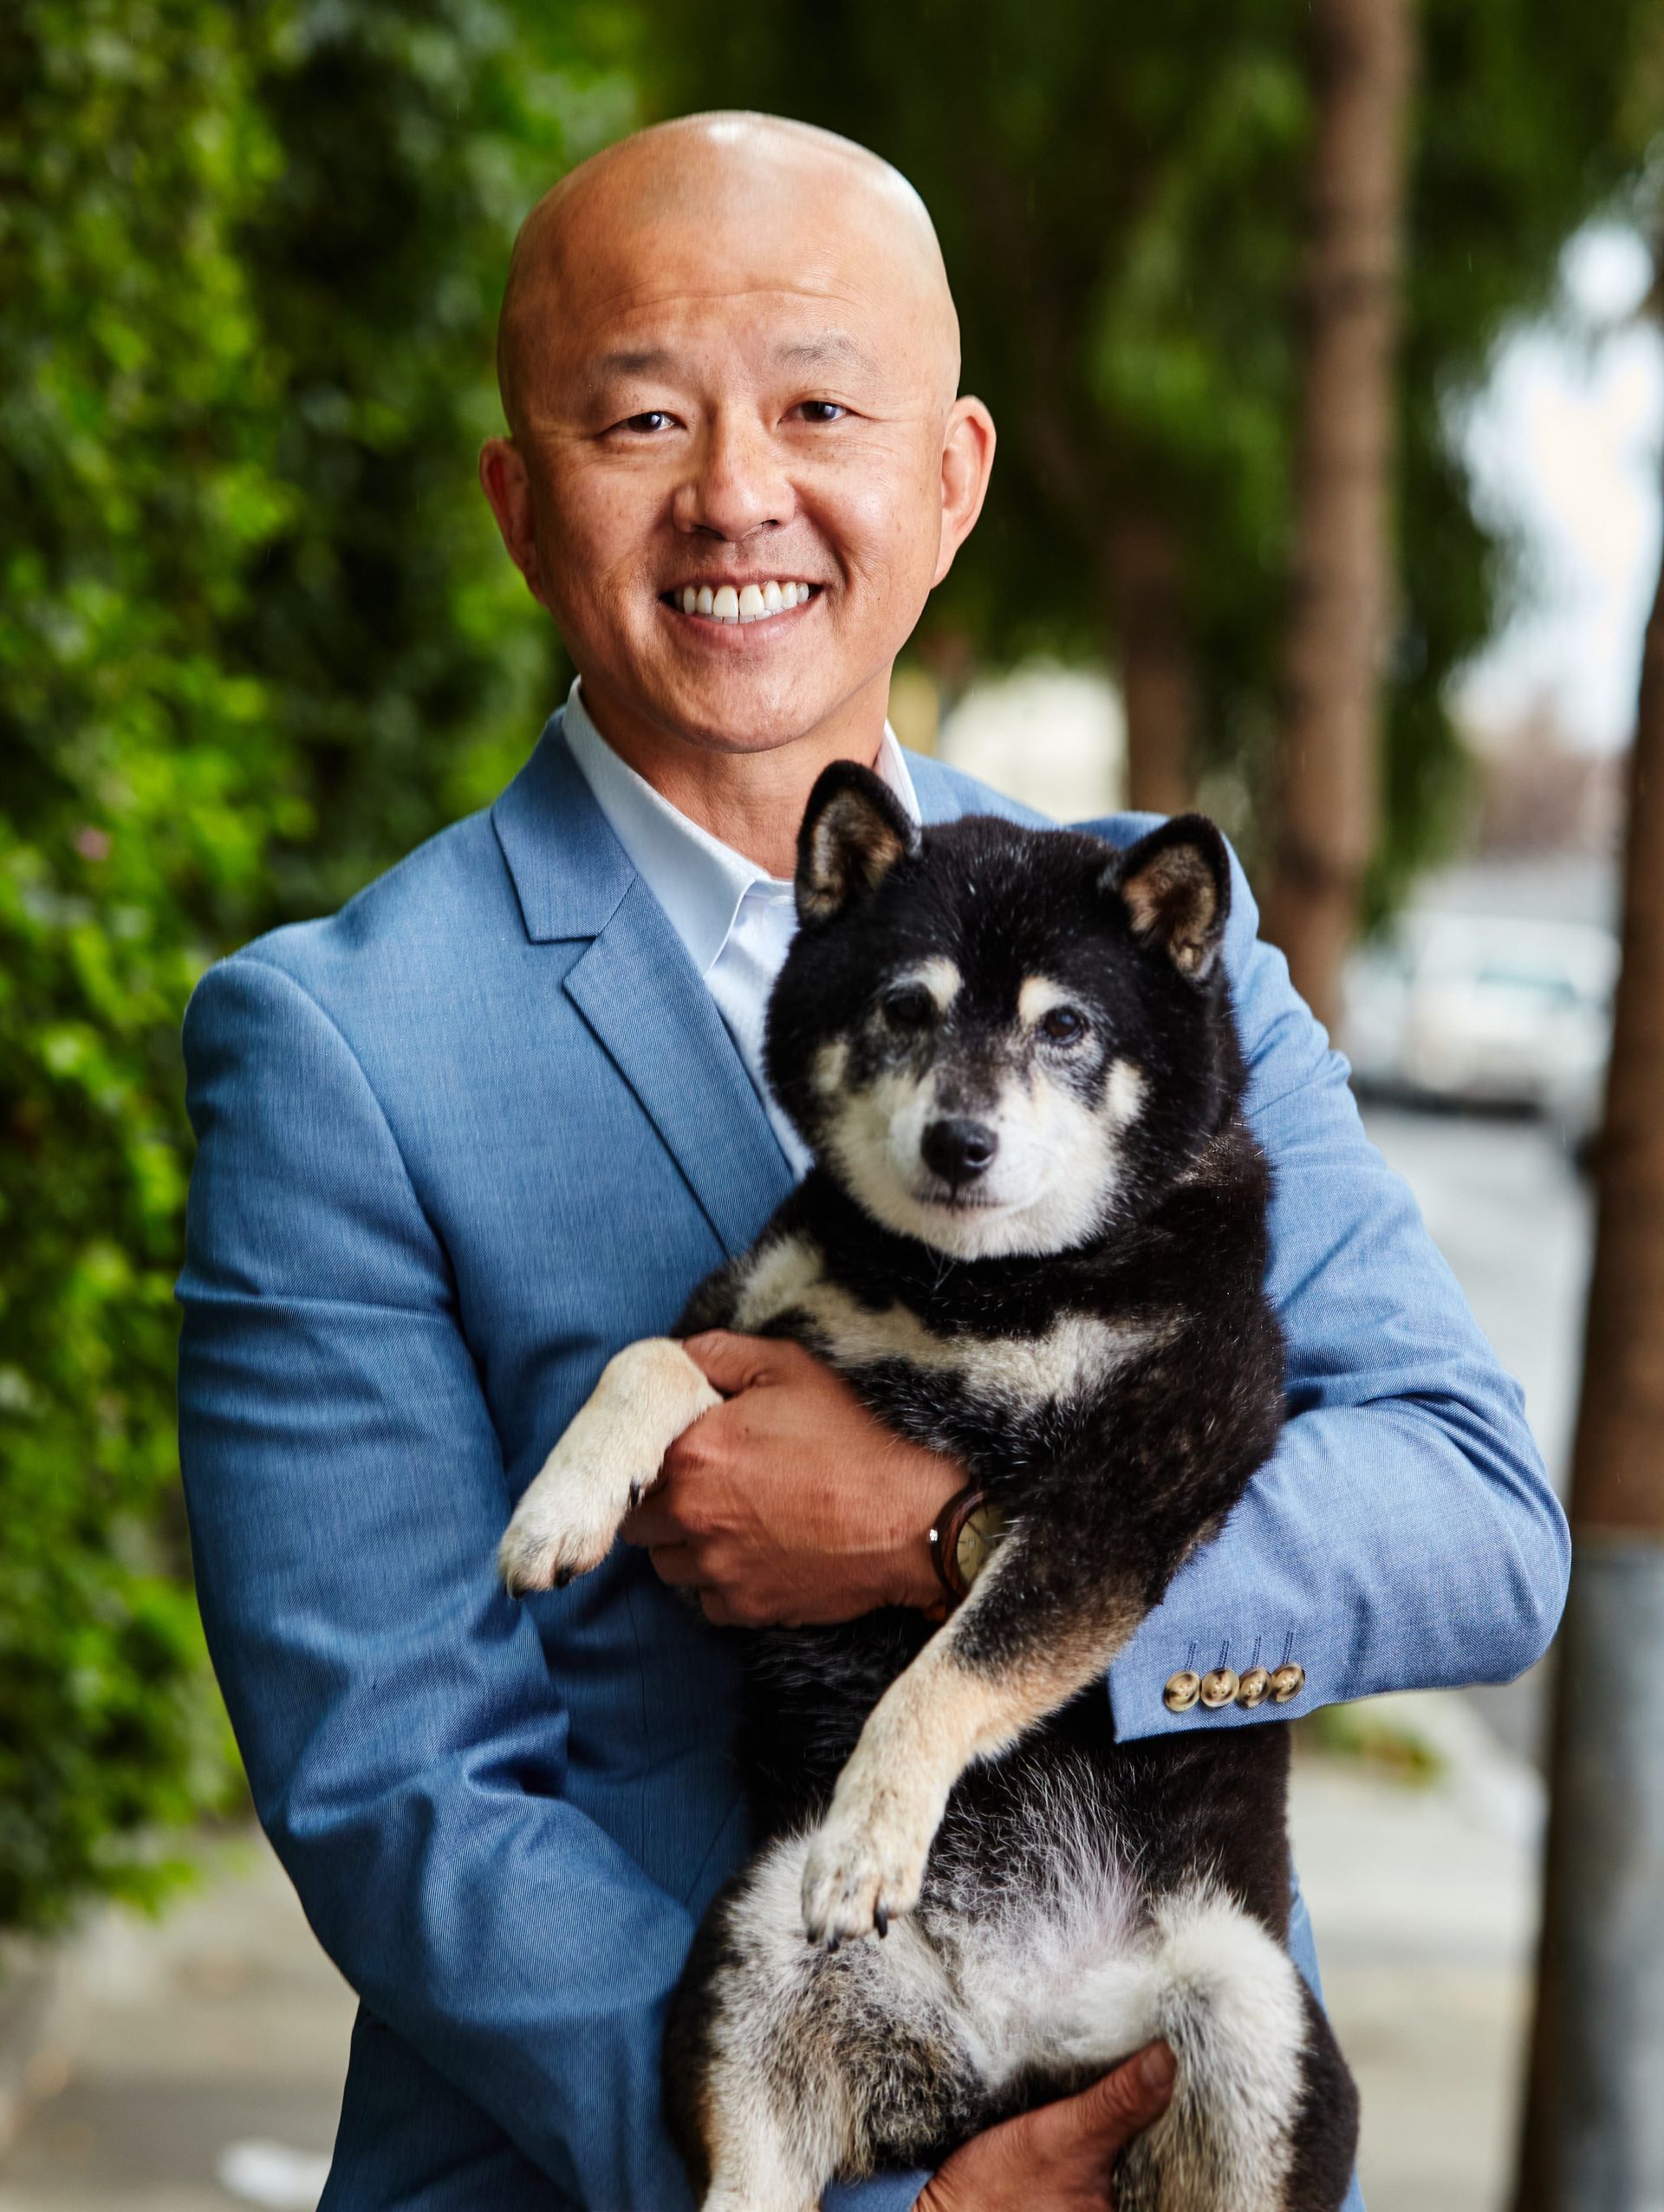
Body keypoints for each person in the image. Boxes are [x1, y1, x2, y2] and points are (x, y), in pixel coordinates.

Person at [177, 112, 1566, 2212]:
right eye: (644, 415)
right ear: (520, 502)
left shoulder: (1162, 943)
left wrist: (949, 1536)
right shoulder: (343, 1046)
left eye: (821, 405)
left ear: (952, 479)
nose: (741, 492)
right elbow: (399, 1793)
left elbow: (1472, 1518)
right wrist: (873, 2189)